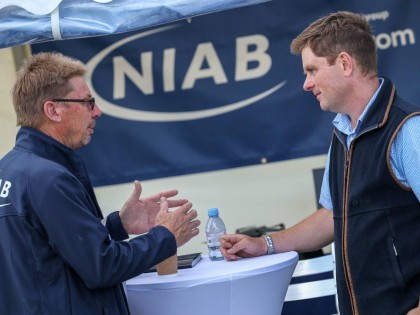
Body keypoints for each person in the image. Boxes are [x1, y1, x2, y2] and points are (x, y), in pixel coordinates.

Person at [220, 11, 420, 315]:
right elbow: (332, 216)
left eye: (312, 70)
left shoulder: (409, 131)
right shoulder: (342, 133)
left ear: (344, 63)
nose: (306, 84)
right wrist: (264, 245)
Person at [0, 52, 200, 314]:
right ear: (53, 110)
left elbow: (44, 251)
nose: (97, 111)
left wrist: (118, 225)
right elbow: (101, 268)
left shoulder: (11, 169)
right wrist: (165, 236)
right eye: (87, 102)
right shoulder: (48, 178)